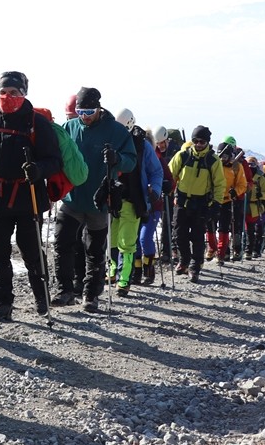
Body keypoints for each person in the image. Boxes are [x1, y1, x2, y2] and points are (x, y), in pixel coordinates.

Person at [0, 71, 62, 321]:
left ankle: (42, 297)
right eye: (3, 92)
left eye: (14, 92)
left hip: (28, 195)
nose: (8, 97)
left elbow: (54, 161)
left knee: (31, 250)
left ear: (24, 93)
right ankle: (2, 303)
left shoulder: (37, 123)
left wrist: (39, 170)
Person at [50, 87, 135, 313]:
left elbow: (131, 161)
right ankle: (65, 290)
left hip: (99, 201)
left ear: (98, 108)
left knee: (95, 251)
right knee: (61, 243)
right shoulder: (69, 128)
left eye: (88, 111)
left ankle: (91, 295)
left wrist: (118, 158)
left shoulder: (116, 131)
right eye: (80, 111)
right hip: (71, 198)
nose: (84, 116)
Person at [108, 110, 163, 295]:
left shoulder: (142, 145)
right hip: (112, 198)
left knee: (127, 242)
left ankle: (124, 280)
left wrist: (155, 190)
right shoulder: (111, 139)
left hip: (133, 199)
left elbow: (156, 171)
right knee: (112, 239)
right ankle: (113, 271)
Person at [168, 126, 226, 282]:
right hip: (181, 201)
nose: (199, 144)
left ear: (207, 142)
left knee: (198, 237)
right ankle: (184, 260)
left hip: (201, 203)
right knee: (179, 235)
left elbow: (220, 184)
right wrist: (166, 187)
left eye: (202, 141)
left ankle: (195, 267)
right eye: (196, 141)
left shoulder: (213, 160)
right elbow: (170, 174)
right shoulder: (182, 156)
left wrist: (216, 204)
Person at [137, 126, 175, 284]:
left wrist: (163, 187)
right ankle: (137, 272)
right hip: (137, 204)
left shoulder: (158, 160)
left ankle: (148, 271)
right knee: (134, 240)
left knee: (144, 238)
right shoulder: (139, 157)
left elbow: (170, 181)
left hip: (154, 205)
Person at [207, 140, 247, 265]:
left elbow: (242, 184)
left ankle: (221, 253)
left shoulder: (236, 167)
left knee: (224, 228)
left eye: (225, 156)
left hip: (227, 201)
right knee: (210, 225)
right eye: (220, 155)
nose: (222, 159)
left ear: (230, 155)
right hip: (213, 200)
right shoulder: (213, 164)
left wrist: (235, 192)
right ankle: (212, 247)